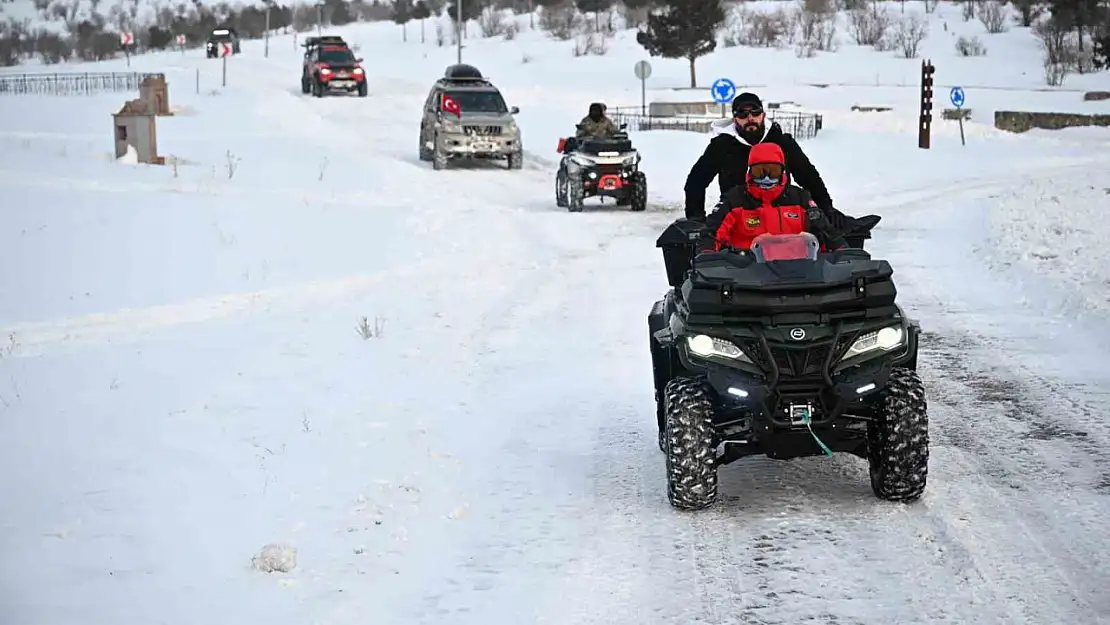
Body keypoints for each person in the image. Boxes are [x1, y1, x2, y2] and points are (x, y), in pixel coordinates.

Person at [684, 92, 858, 232]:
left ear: (763, 115)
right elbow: (696, 181)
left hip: (783, 217)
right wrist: (696, 217)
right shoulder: (722, 145)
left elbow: (807, 176)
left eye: (755, 113)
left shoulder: (781, 141)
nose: (750, 118)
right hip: (739, 217)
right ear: (735, 118)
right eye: (743, 114)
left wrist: (826, 207)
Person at [705, 142, 845, 252]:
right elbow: (711, 233)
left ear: (783, 172)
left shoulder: (800, 198)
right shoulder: (734, 200)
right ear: (749, 172)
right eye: (760, 172)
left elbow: (827, 234)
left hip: (798, 272)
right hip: (746, 275)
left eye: (773, 171)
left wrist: (841, 252)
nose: (766, 178)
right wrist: (707, 255)